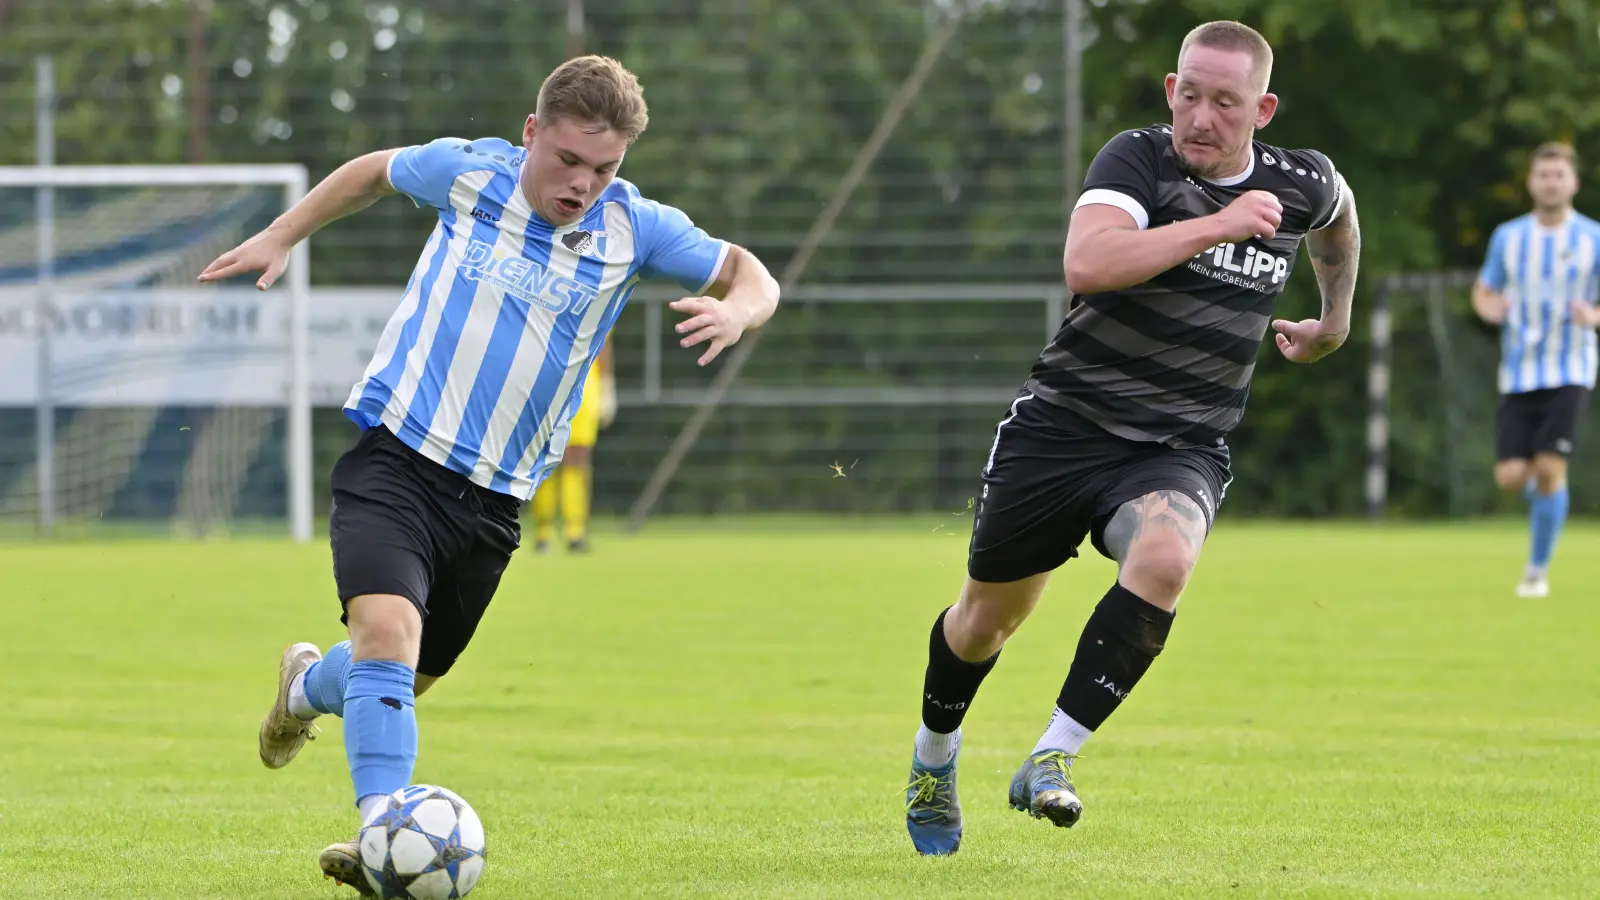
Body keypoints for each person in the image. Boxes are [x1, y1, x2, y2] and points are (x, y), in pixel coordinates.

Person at [198, 55, 779, 893]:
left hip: (494, 501)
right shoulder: (470, 174)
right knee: (388, 642)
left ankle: (304, 688)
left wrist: (736, 309)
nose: (583, 183)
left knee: (406, 674)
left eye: (605, 168)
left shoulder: (635, 228)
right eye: (569, 160)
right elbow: (371, 173)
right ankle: (382, 837)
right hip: (397, 457)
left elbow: (753, 273)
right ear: (532, 133)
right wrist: (284, 231)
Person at [901, 20, 1361, 856]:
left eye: (1225, 102)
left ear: (1263, 108)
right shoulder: (1137, 160)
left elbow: (1339, 215)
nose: (1201, 116)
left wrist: (1335, 319)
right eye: (1189, 93)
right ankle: (935, 759)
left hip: (1178, 446)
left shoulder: (1300, 181)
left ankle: (1051, 757)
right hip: (1063, 427)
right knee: (984, 623)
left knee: (1167, 557)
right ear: (1169, 90)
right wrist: (1216, 225)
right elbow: (1090, 261)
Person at [1471, 142, 1600, 599]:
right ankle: (1555, 502)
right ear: (1531, 182)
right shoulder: (1509, 237)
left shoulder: (1593, 237)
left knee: (1548, 467)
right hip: (1520, 371)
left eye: (1559, 175)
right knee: (1510, 477)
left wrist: (1593, 316)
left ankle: (1536, 571)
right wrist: (1490, 308)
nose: (1551, 181)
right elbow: (1484, 291)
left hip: (1571, 367)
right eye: (1543, 174)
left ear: (1574, 183)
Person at [530, 341, 616, 553]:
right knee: (544, 453)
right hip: (548, 377)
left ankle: (574, 531)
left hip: (584, 382)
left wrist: (607, 386)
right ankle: (543, 531)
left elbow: (604, 341)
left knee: (577, 458)